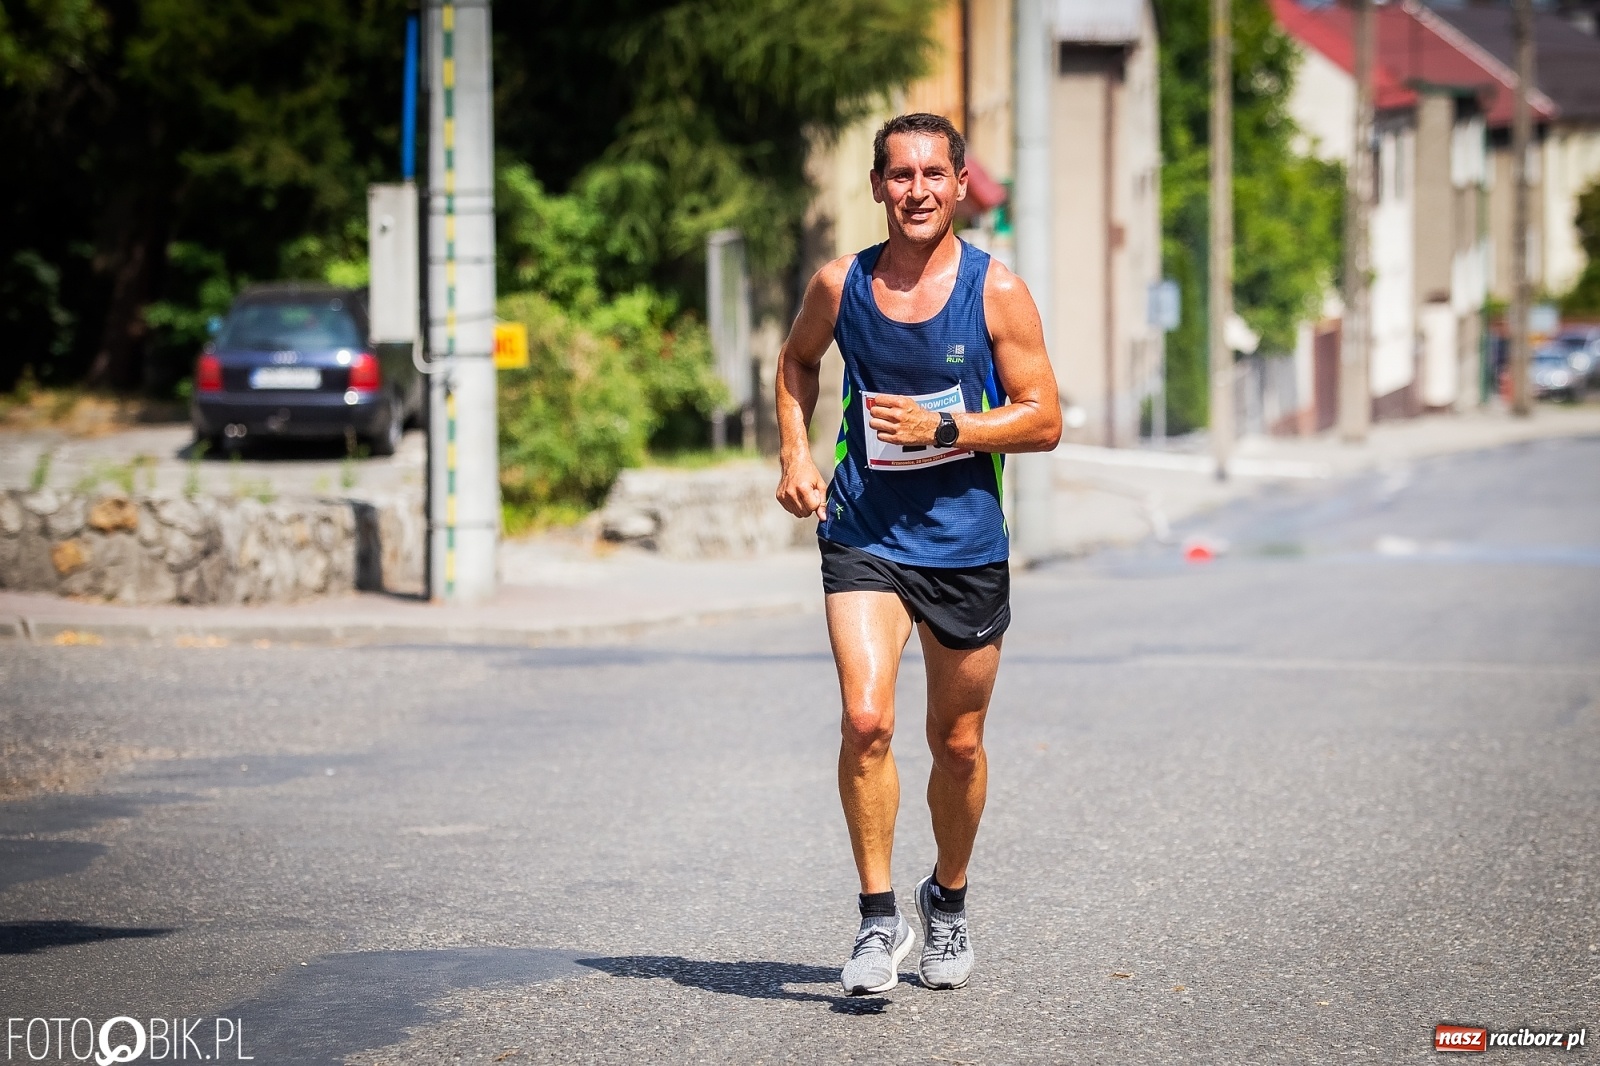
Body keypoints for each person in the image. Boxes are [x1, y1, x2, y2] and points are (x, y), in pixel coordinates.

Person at [775, 112, 1061, 995]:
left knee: (958, 743)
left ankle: (949, 899)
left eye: (934, 174)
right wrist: (794, 453)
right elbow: (796, 362)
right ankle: (876, 918)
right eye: (901, 175)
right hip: (864, 531)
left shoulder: (996, 290)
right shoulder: (840, 284)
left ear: (961, 185)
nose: (918, 190)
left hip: (964, 544)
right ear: (877, 187)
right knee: (866, 722)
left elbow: (1044, 419)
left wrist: (949, 428)